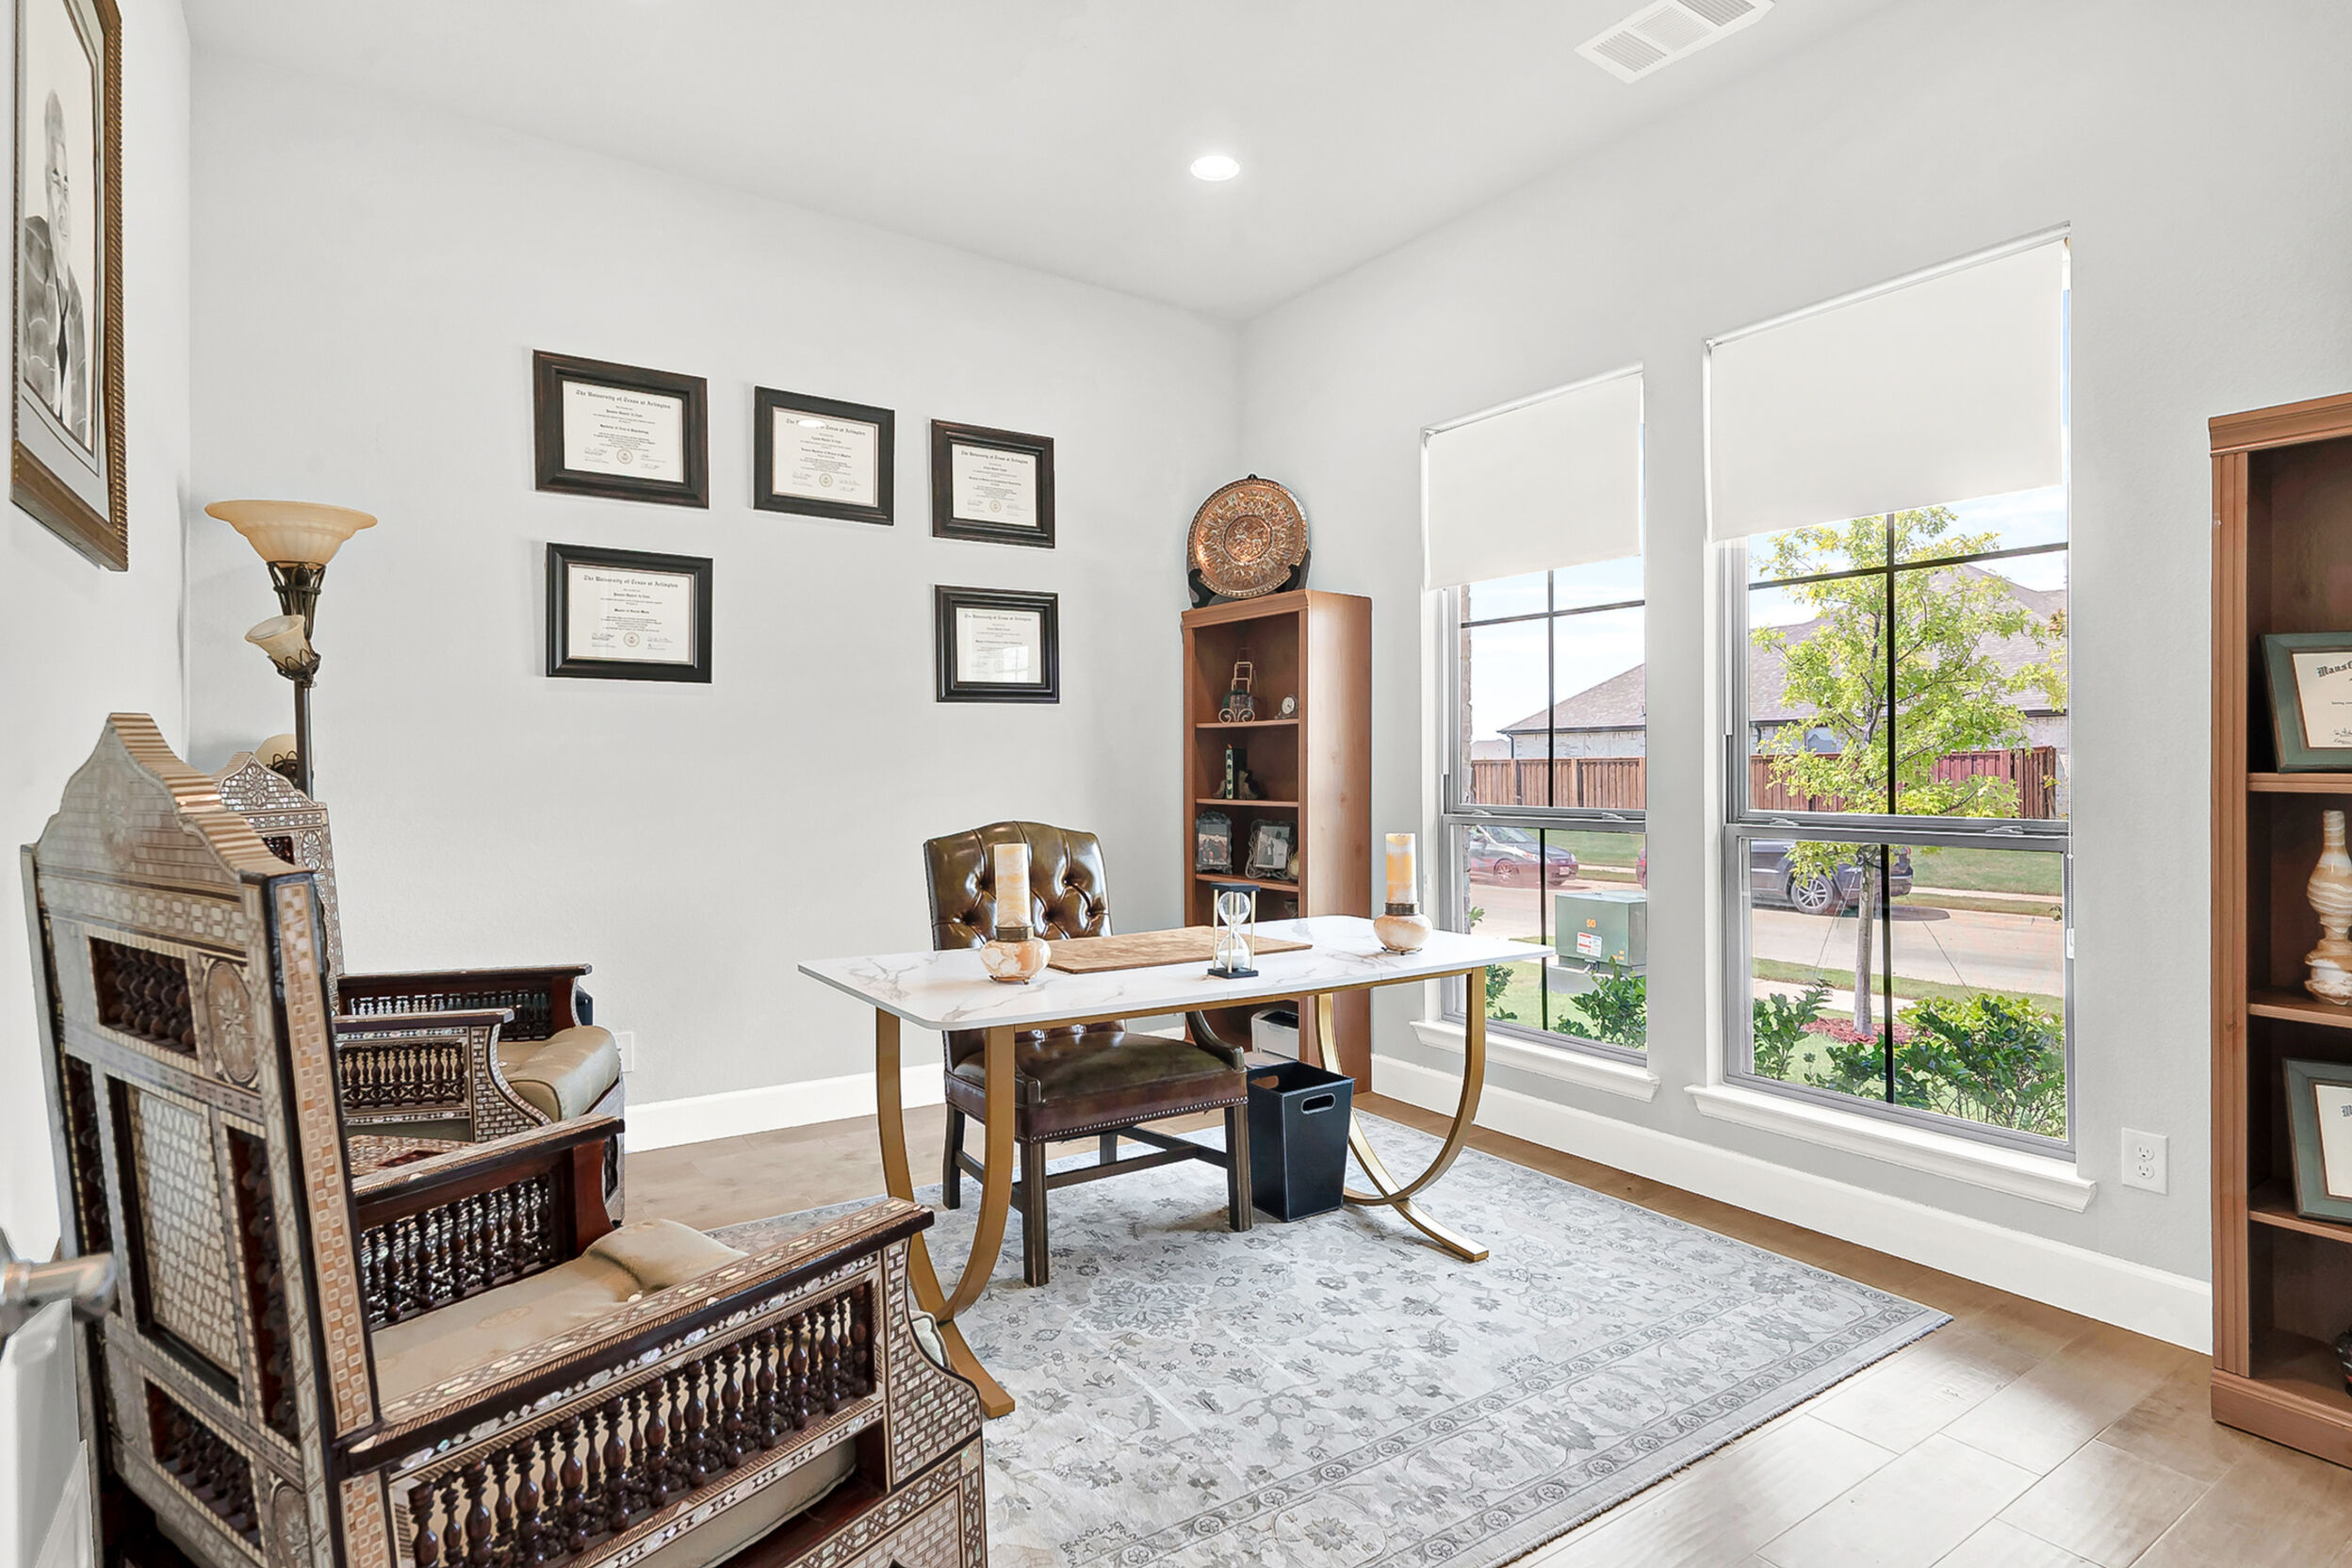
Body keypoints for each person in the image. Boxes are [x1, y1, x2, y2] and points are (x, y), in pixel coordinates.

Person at [22, 90, 88, 446]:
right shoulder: (30, 247)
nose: (62, 207)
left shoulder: (75, 301)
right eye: (54, 183)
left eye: (67, 186)